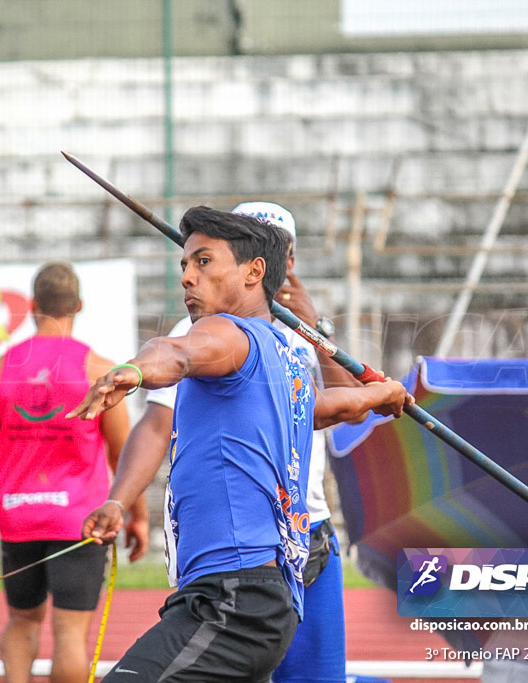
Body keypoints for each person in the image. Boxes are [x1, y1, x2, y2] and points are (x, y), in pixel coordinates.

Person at [69, 206, 411, 682]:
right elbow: (321, 408)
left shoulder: (224, 332)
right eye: (185, 265)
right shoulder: (281, 351)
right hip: (252, 593)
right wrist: (382, 393)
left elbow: (180, 352)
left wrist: (140, 369)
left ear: (256, 271)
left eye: (203, 262)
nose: (187, 277)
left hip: (235, 595)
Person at [142, 201, 363, 683]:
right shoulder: (205, 328)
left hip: (309, 529)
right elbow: (159, 410)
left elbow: (346, 403)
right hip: (245, 545)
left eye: (284, 249)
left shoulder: (304, 334)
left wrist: (317, 328)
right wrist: (121, 499)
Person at [0, 261, 149, 683]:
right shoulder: (98, 370)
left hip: (18, 516)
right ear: (78, 306)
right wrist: (137, 514)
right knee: (70, 631)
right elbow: (123, 454)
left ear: (32, 306)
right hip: (79, 519)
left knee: (22, 621)